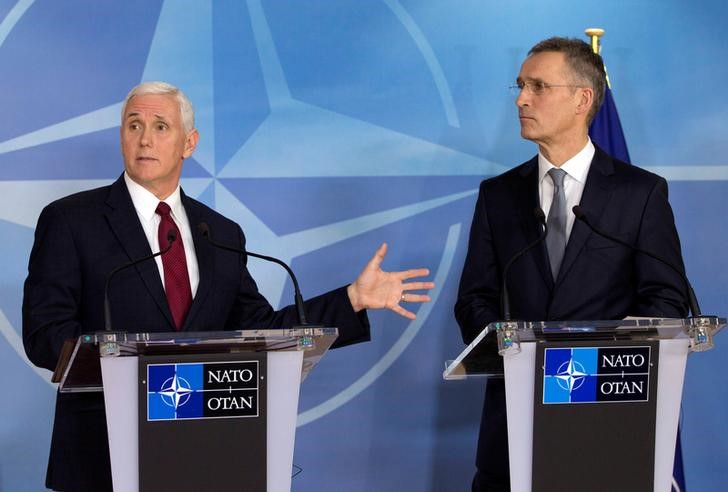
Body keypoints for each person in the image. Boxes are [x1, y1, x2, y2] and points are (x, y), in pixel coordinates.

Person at [22, 81, 434, 492]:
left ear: (189, 142)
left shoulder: (217, 233)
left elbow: (259, 329)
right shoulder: (72, 221)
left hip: (208, 452)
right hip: (105, 456)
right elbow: (45, 334)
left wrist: (352, 299)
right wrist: (125, 367)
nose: (145, 138)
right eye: (134, 125)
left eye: (161, 126)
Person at [454, 37, 688, 491]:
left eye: (538, 86)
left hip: (610, 428)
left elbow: (667, 300)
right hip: (512, 434)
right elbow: (473, 300)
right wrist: (513, 350)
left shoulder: (640, 194)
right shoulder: (498, 196)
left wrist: (589, 365)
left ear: (583, 98)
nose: (521, 98)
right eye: (521, 85)